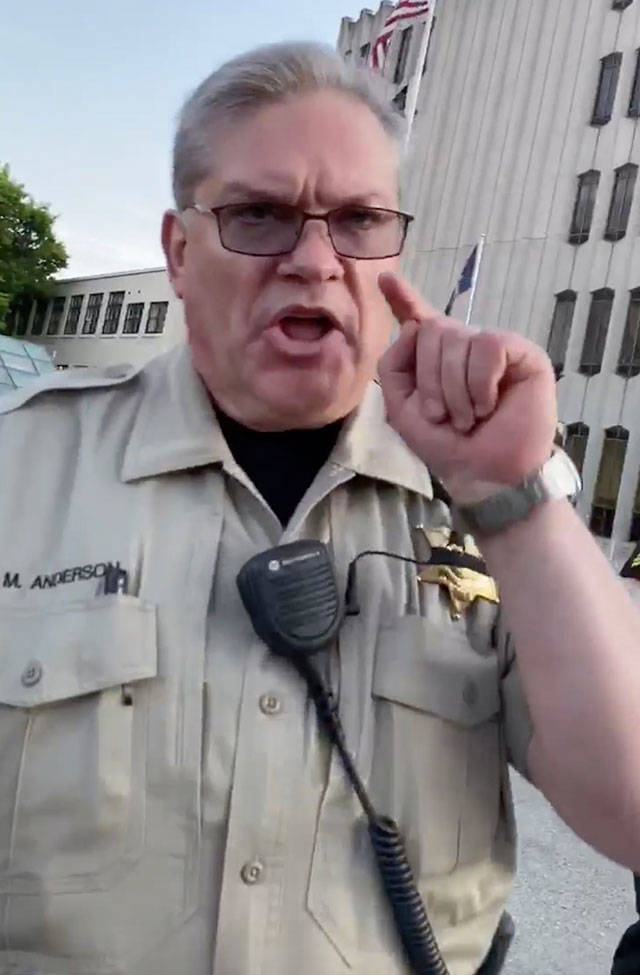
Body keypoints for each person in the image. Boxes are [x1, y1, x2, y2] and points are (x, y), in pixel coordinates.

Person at [1, 41, 640, 975]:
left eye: (359, 220)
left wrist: (521, 497)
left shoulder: (483, 501)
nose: (314, 260)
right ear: (179, 253)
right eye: (259, 214)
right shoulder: (21, 466)